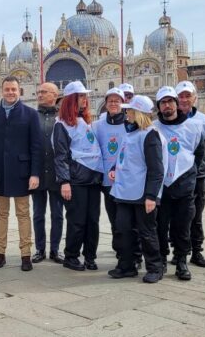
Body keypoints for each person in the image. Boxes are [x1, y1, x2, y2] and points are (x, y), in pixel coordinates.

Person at [108, 95, 167, 283]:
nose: (127, 114)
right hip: (124, 192)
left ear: (138, 113)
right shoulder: (130, 132)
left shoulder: (150, 134)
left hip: (142, 194)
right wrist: (113, 169)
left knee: (147, 232)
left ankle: (155, 267)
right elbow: (123, 157)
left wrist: (151, 195)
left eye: (130, 111)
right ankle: (127, 265)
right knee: (123, 230)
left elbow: (156, 168)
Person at [0, 76, 42, 272]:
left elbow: (36, 146)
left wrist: (35, 174)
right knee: (1, 214)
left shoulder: (30, 114)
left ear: (20, 91)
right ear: (2, 90)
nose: (10, 92)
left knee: (23, 214)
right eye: (7, 89)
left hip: (22, 172)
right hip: (0, 172)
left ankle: (25, 254)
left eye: (14, 89)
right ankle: (0, 253)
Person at [153, 86, 204, 281]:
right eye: (163, 102)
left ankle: (181, 260)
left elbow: (199, 154)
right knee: (160, 225)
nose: (167, 105)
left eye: (170, 101)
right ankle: (161, 261)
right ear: (159, 106)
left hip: (184, 185)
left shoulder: (193, 127)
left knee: (183, 225)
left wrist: (189, 174)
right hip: (161, 187)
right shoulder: (153, 127)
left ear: (176, 103)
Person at [52, 81, 104, 272]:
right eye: (81, 96)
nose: (85, 99)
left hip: (93, 179)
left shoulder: (85, 121)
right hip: (76, 180)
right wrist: (64, 181)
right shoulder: (62, 125)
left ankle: (90, 255)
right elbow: (61, 155)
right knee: (77, 220)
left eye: (85, 96)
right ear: (71, 100)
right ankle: (71, 255)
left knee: (93, 220)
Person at [94, 87, 141, 268]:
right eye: (110, 101)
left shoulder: (131, 123)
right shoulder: (97, 125)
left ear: (123, 104)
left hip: (128, 181)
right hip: (107, 181)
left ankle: (136, 255)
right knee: (115, 220)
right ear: (106, 104)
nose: (113, 104)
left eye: (117, 101)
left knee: (131, 221)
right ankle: (121, 252)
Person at [175, 81, 205, 269]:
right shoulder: (168, 119)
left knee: (196, 215)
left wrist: (195, 168)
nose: (184, 100)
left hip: (195, 176)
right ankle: (178, 251)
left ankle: (196, 251)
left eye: (187, 95)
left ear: (194, 98)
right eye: (180, 96)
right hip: (173, 178)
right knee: (174, 216)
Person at [32, 82, 64, 264]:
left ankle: (55, 249)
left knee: (57, 214)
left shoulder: (62, 117)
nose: (40, 95)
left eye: (44, 92)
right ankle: (39, 248)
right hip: (37, 174)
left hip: (56, 174)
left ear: (54, 94)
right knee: (38, 214)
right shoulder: (32, 117)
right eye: (38, 92)